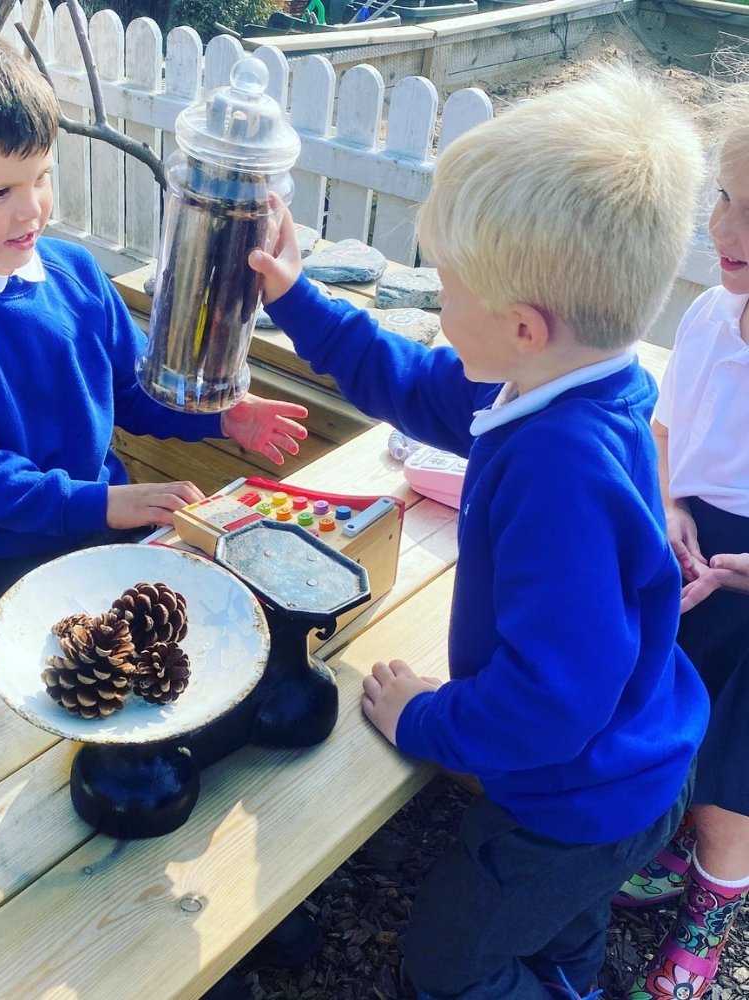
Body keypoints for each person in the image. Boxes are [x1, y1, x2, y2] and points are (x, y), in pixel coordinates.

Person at [247, 65, 710, 1000]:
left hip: (566, 800)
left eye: (448, 290)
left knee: (455, 963)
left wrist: (423, 718)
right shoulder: (574, 380)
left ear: (525, 326)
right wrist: (295, 296)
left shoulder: (557, 465)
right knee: (565, 927)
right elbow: (414, 385)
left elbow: (549, 705)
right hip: (630, 765)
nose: (437, 307)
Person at [0, 14, 308, 662]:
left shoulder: (75, 273)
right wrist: (106, 504)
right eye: (1, 190)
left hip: (100, 518)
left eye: (41, 176)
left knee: (200, 633)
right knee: (67, 677)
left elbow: (131, 386)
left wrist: (221, 418)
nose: (32, 207)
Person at [614, 83, 749, 1000]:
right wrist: (670, 506)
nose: (726, 226)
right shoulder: (709, 319)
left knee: (736, 764)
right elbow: (669, 434)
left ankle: (717, 897)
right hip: (696, 548)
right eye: (729, 196)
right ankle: (680, 847)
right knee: (674, 715)